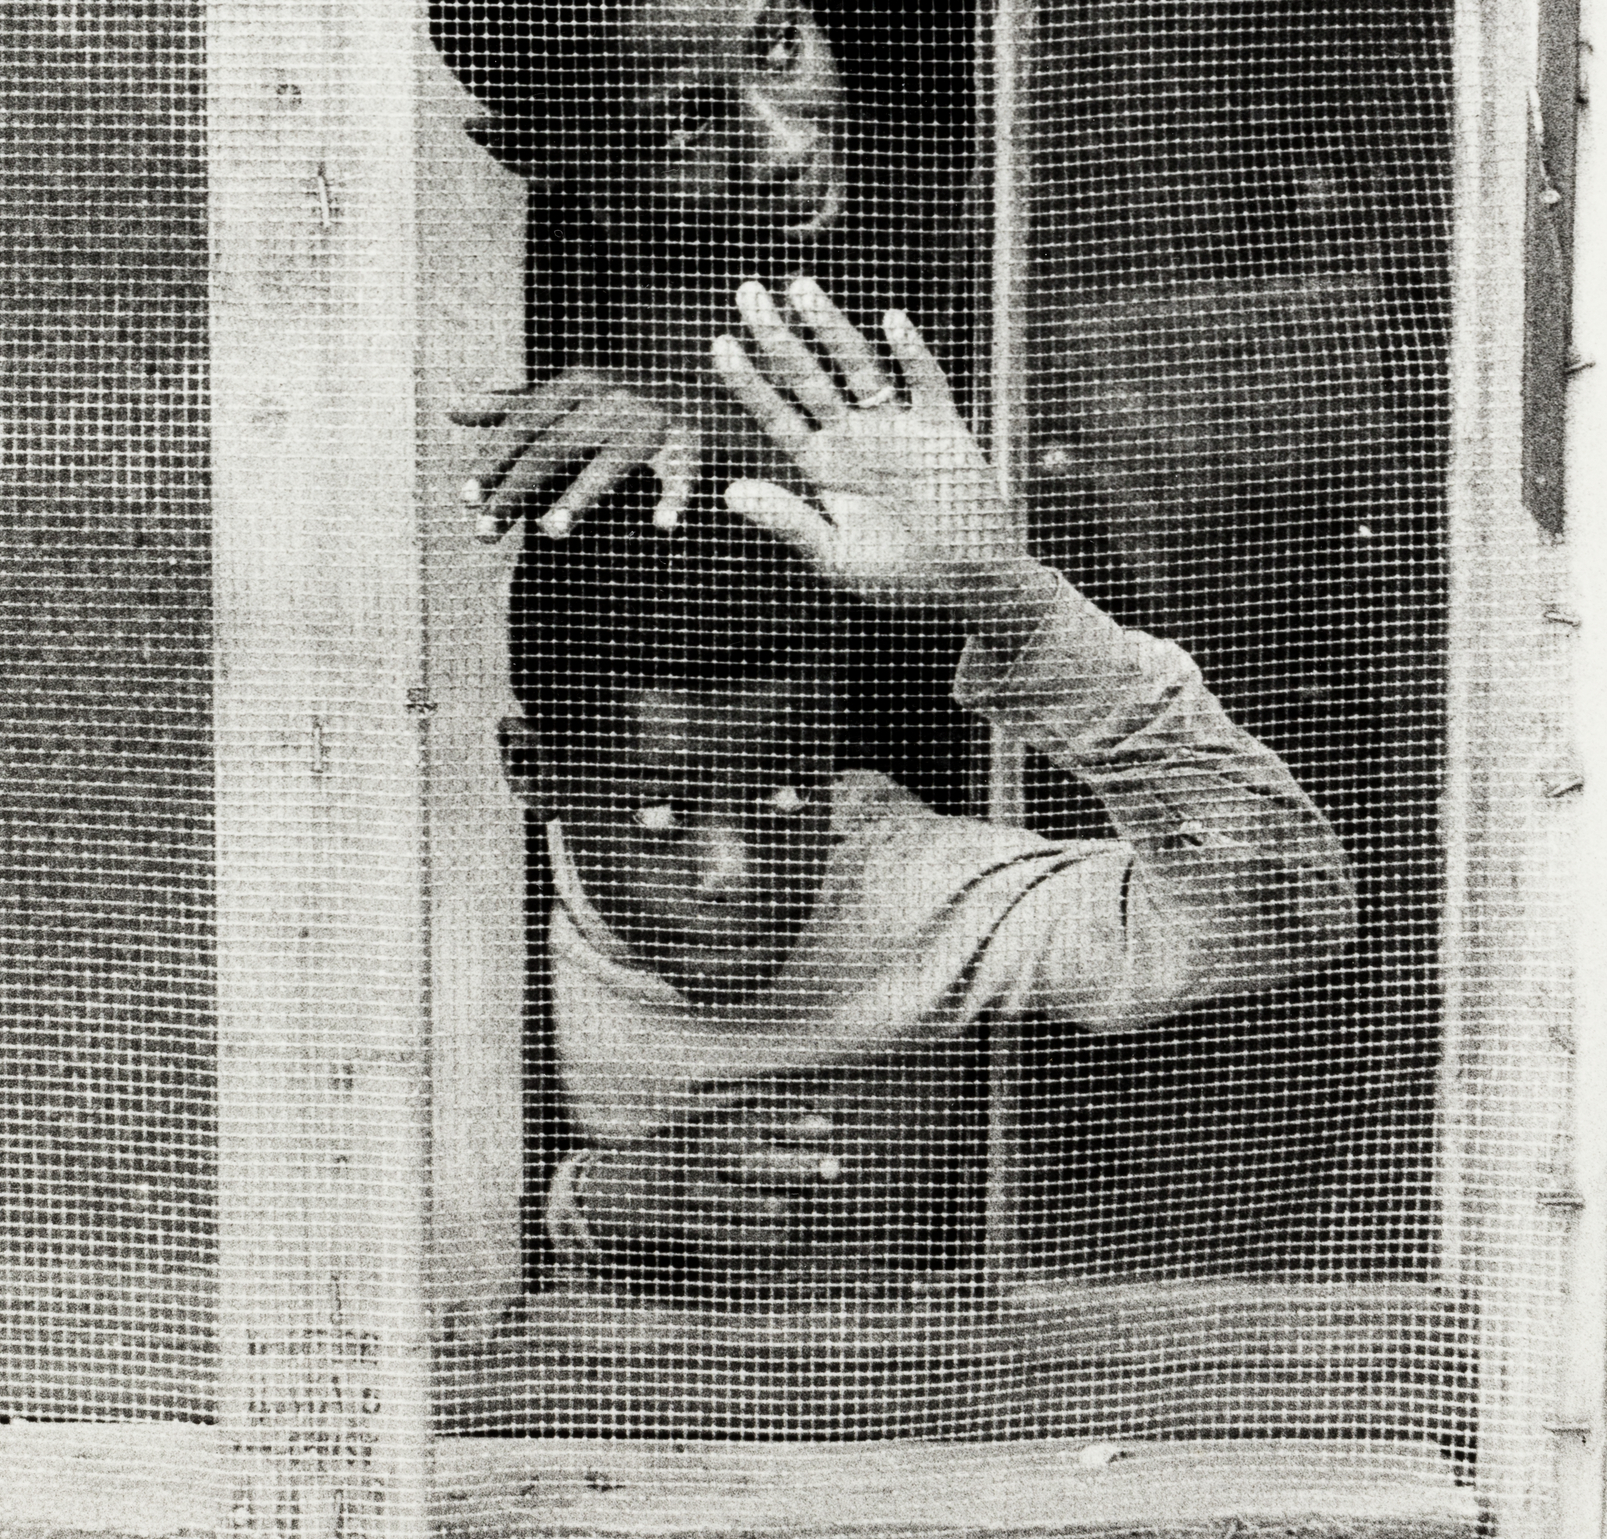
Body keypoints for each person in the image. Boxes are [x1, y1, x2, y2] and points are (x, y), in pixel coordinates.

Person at [497, 275, 1356, 1283]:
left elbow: (1282, 918)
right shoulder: (449, 904)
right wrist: (595, 1202)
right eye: (658, 815)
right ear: (532, 771)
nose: (732, 871)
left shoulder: (896, 881)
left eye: (782, 794)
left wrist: (1020, 610)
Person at [426, 0, 968, 544]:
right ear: (539, 156)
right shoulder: (620, 433)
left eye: (781, 43)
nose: (781, 148)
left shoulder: (958, 178)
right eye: (683, 128)